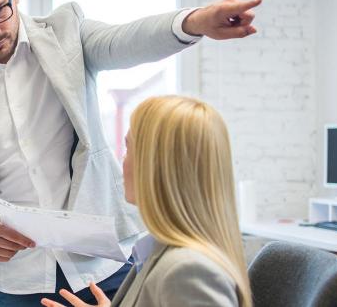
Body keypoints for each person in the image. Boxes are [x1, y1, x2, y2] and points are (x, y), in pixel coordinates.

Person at [0, 0, 261, 305]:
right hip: (19, 279)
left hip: (104, 263)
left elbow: (124, 40)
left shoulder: (66, 31)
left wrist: (196, 21)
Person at [41, 96, 252, 307]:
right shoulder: (160, 252)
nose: (122, 160)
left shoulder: (188, 270)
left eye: (128, 148)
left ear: (157, 166)